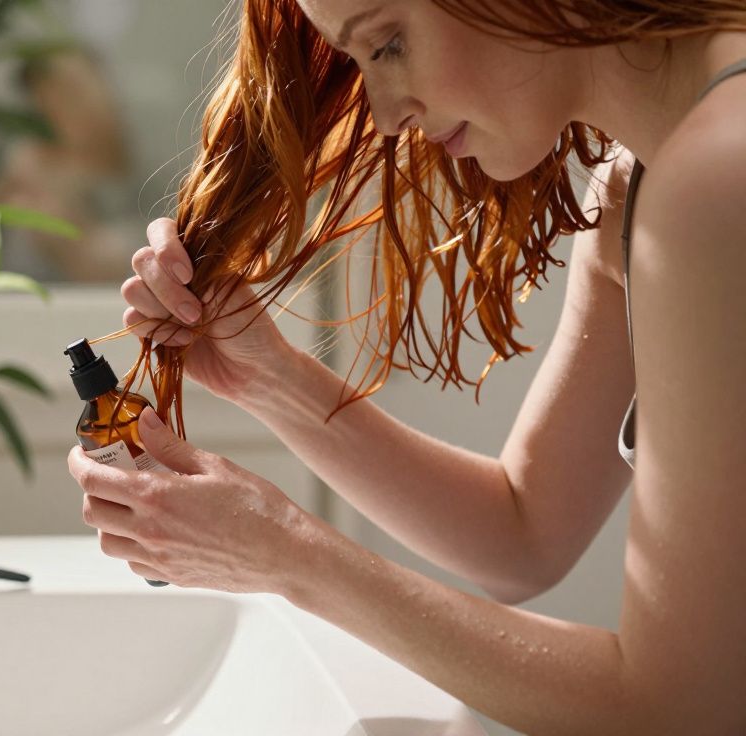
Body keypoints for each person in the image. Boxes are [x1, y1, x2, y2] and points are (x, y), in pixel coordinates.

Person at [66, 1, 746, 731]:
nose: (385, 115)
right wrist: (269, 376)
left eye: (388, 44)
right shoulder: (637, 180)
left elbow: (683, 709)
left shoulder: (718, 176)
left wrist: (286, 554)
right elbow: (522, 536)